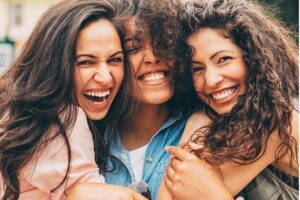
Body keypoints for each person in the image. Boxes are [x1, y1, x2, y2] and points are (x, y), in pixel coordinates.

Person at [0, 0, 146, 199]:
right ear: (54, 66)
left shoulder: (16, 113)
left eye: (115, 59)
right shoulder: (64, 118)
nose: (105, 76)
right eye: (85, 62)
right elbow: (86, 191)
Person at [157, 0, 299, 199]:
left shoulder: (276, 122)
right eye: (197, 68)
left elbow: (172, 195)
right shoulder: (246, 115)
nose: (211, 80)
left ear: (254, 58)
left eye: (223, 59)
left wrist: (197, 122)